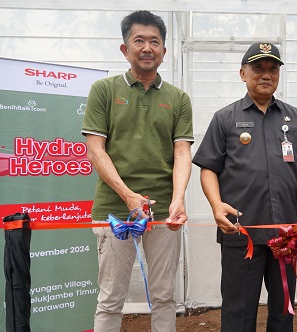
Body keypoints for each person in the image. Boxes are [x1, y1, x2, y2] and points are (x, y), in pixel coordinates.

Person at [192, 42, 297, 332]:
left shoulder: (294, 117)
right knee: (238, 311)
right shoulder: (225, 118)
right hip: (241, 232)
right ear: (242, 73)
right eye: (258, 68)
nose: (266, 75)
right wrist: (216, 206)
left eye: (273, 69)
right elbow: (209, 169)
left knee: (284, 311)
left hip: (286, 235)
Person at [81, 10, 193, 332]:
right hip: (114, 209)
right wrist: (129, 196)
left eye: (154, 42)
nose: (147, 48)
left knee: (164, 295)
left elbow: (182, 152)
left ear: (164, 51)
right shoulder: (104, 90)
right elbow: (95, 150)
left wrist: (178, 199)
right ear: (125, 48)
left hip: (163, 213)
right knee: (111, 298)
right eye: (139, 41)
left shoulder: (178, 98)